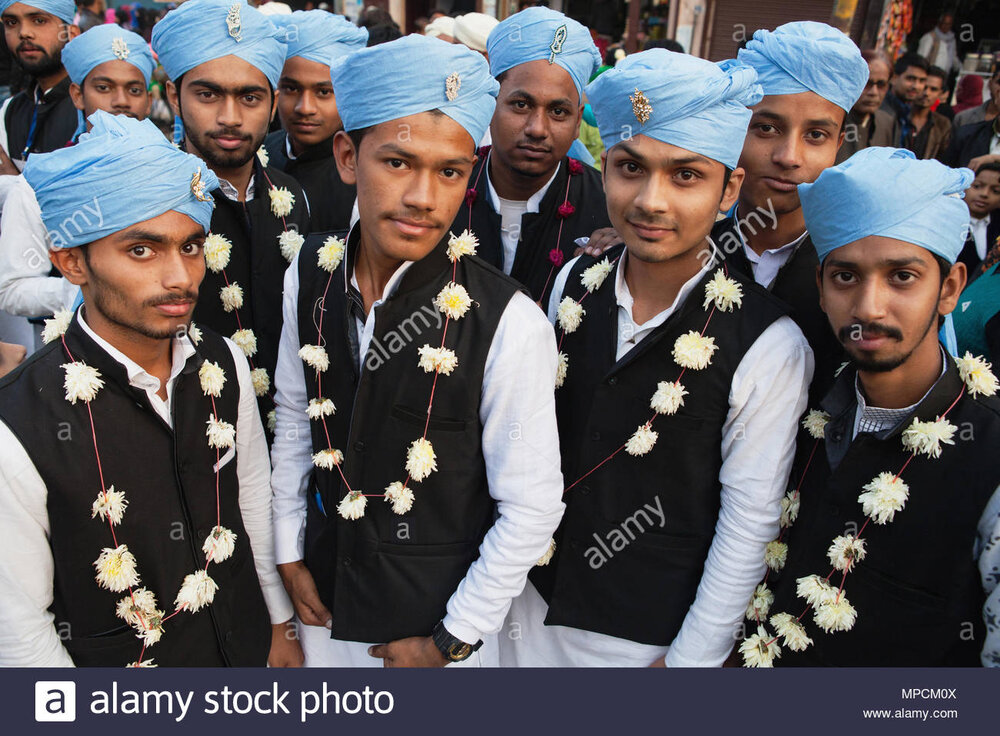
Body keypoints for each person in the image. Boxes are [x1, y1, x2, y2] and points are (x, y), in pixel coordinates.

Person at [500, 49, 812, 667]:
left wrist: (690, 661)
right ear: (602, 168)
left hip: (645, 642)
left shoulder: (769, 344)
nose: (651, 201)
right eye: (630, 168)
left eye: (686, 176)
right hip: (524, 605)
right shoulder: (575, 282)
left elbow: (747, 525)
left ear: (731, 190)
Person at [270, 34, 564, 668]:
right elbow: (295, 420)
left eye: (450, 172)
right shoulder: (310, 272)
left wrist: (453, 637)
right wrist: (287, 555)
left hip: (434, 637)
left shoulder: (510, 320)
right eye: (398, 163)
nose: (423, 198)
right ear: (348, 156)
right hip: (321, 607)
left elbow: (533, 504)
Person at [0, 112, 300, 667]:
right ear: (72, 262)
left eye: (190, 247)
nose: (180, 278)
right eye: (142, 250)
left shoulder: (222, 359)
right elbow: (19, 628)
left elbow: (251, 496)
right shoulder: (17, 423)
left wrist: (279, 622)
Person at [753, 147, 1000, 668]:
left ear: (950, 288)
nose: (869, 307)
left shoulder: (990, 451)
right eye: (845, 277)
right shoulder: (799, 406)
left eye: (902, 277)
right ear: (820, 289)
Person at [152, 0, 310, 436]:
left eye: (249, 97)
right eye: (207, 94)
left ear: (273, 103)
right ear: (172, 95)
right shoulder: (151, 202)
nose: (229, 117)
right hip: (187, 432)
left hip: (289, 433)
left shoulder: (291, 194)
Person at [715, 21, 869, 400]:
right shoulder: (689, 252)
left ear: (838, 145)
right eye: (766, 128)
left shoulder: (858, 279)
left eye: (816, 135)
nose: (789, 157)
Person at [0, 23, 154, 350]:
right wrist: (87, 287)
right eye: (104, 87)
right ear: (77, 95)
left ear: (149, 101)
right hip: (73, 361)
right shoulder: (41, 182)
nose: (121, 101)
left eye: (134, 90)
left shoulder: (175, 173)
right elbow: (11, 289)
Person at [452, 6, 611, 306]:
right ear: (490, 105)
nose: (537, 129)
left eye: (558, 111)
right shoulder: (446, 189)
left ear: (578, 123)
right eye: (521, 104)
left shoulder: (607, 207)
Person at [264, 11, 367, 232]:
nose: (305, 108)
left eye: (323, 92)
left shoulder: (364, 173)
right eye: (291, 89)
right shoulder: (259, 155)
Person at [0, 0, 79, 177]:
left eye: (39, 21)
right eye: (12, 23)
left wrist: (13, 185)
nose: (24, 33)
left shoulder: (92, 110)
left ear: (70, 33)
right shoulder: (10, 110)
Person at [836, 49, 900, 164]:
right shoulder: (833, 120)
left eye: (881, 85)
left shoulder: (887, 124)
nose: (873, 92)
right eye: (866, 83)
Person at [956, 161, 1000, 277]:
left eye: (995, 191)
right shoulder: (949, 221)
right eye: (977, 186)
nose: (984, 194)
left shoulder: (997, 224)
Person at [881, 53, 929, 148]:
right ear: (894, 78)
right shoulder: (881, 109)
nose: (916, 86)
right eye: (910, 79)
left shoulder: (907, 112)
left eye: (922, 81)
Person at [905, 65, 951, 160]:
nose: (926, 93)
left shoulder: (943, 124)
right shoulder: (897, 116)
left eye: (933, 89)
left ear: (940, 93)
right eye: (924, 87)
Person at [916, 12, 961, 77]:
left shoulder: (951, 40)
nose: (946, 26)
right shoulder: (930, 37)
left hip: (943, 75)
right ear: (939, 23)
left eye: (949, 24)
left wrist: (961, 68)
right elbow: (920, 58)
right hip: (929, 74)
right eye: (944, 23)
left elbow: (953, 57)